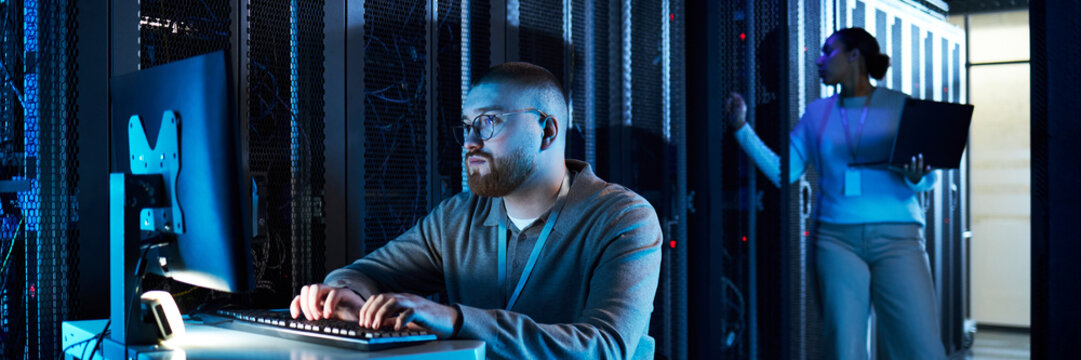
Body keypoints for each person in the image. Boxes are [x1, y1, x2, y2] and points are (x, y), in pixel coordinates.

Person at [290, 62, 662, 360]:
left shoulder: (623, 219)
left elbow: (605, 349)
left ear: (547, 131)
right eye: (467, 126)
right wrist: (344, 293)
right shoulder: (457, 218)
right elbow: (364, 273)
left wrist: (454, 320)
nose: (470, 142)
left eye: (488, 122)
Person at [725, 27, 947, 359]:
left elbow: (928, 178)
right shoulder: (817, 113)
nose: (819, 59)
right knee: (843, 348)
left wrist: (918, 178)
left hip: (899, 239)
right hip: (835, 240)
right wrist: (741, 128)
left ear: (854, 55)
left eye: (829, 51)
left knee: (921, 346)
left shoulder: (898, 105)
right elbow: (784, 172)